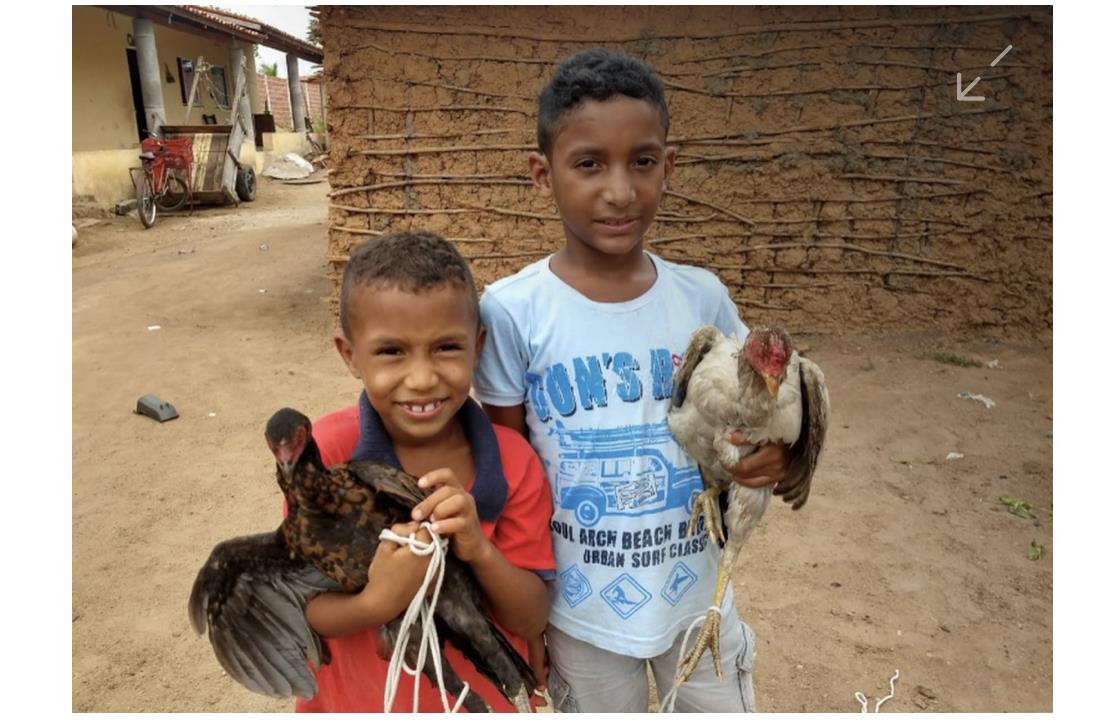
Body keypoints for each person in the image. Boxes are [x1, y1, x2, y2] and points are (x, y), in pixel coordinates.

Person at [474, 49, 791, 713]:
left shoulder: (700, 297)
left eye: (641, 161)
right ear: (542, 174)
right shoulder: (510, 310)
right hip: (579, 614)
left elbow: (751, 413)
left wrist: (768, 456)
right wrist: (522, 615)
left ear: (667, 166)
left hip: (696, 598)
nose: (619, 190)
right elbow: (507, 472)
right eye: (589, 163)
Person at [294, 230, 556, 712]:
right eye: (392, 351)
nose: (421, 378)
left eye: (446, 349)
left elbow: (529, 616)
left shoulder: (513, 461)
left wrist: (477, 547)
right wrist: (376, 603)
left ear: (478, 347)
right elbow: (302, 606)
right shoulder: (327, 454)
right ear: (350, 355)